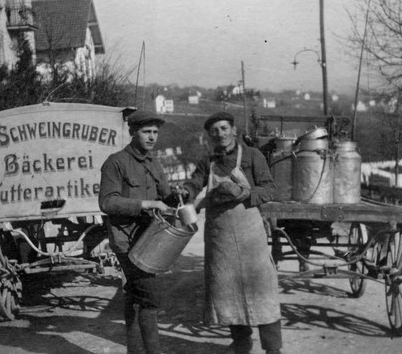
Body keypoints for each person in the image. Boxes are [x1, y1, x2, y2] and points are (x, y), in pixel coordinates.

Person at [176, 112, 283, 354]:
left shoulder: (253, 156)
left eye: (224, 128)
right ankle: (242, 342)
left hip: (250, 235)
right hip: (220, 236)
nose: (220, 134)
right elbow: (195, 183)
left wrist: (247, 194)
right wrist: (185, 190)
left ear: (233, 130)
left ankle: (273, 348)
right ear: (210, 135)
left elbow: (270, 189)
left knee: (263, 290)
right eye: (215, 130)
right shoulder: (208, 163)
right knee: (228, 290)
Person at [99, 110, 174, 354]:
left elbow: (166, 196)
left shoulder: (153, 161)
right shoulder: (116, 162)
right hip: (126, 240)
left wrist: (179, 194)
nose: (152, 137)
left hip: (150, 238)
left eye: (155, 132)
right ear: (132, 132)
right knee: (150, 296)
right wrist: (146, 204)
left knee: (136, 295)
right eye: (146, 132)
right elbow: (107, 203)